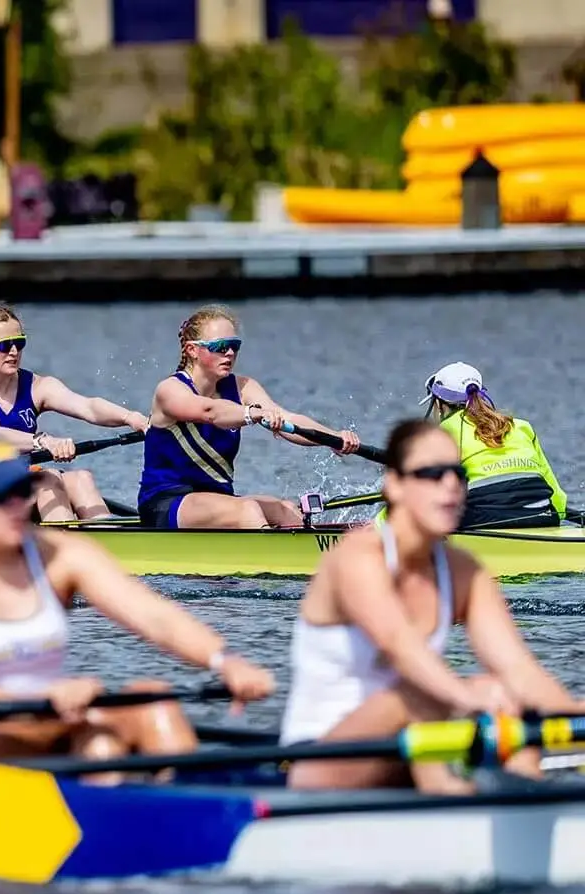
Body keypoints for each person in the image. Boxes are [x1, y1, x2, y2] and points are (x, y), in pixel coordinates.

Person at [0, 434, 275, 773]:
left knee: (151, 702)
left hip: (55, 719)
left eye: (21, 491)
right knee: (77, 736)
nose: (14, 506)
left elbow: (152, 615)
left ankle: (181, 819)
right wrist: (40, 699)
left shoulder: (60, 554)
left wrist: (224, 660)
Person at [282, 419, 585, 794]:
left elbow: (519, 667)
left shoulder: (464, 572)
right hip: (323, 761)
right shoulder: (358, 558)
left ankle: (527, 803)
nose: (451, 486)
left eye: (458, 473)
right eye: (432, 474)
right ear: (394, 485)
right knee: (421, 693)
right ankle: (454, 803)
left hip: (412, 746)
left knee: (505, 691)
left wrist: (571, 713)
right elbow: (400, 646)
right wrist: (468, 700)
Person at [137, 304, 361, 529]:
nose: (230, 353)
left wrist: (333, 438)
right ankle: (273, 559)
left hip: (218, 499)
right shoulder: (170, 390)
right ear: (192, 350)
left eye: (235, 346)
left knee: (286, 511)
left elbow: (287, 419)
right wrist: (252, 413)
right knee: (248, 510)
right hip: (166, 503)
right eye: (220, 346)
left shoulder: (242, 387)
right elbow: (209, 412)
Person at [0, 301, 148, 524]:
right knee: (49, 478)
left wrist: (131, 418)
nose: (14, 352)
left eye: (19, 343)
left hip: (12, 493)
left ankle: (111, 543)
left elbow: (88, 406)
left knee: (80, 479)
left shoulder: (36, 386)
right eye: (4, 346)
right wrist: (42, 441)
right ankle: (66, 551)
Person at [417, 362, 568, 529]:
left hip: (483, 518)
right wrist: (558, 520)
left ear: (438, 404)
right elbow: (558, 499)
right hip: (541, 513)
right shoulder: (522, 427)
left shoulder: (441, 433)